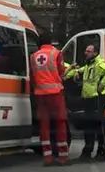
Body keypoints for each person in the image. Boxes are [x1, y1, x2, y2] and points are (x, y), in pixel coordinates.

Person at [65, 44, 105, 162]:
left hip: (97, 98)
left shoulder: (98, 64)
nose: (86, 53)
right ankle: (87, 151)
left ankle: (101, 152)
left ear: (95, 53)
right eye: (86, 51)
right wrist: (73, 72)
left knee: (98, 125)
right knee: (88, 125)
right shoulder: (88, 65)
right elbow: (78, 70)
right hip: (88, 99)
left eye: (88, 51)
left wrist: (102, 84)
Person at [30, 31, 70, 166]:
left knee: (44, 125)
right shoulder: (56, 54)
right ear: (51, 42)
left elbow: (32, 76)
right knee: (60, 123)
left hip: (40, 94)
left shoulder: (33, 56)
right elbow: (61, 72)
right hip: (56, 93)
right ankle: (63, 156)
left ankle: (47, 157)